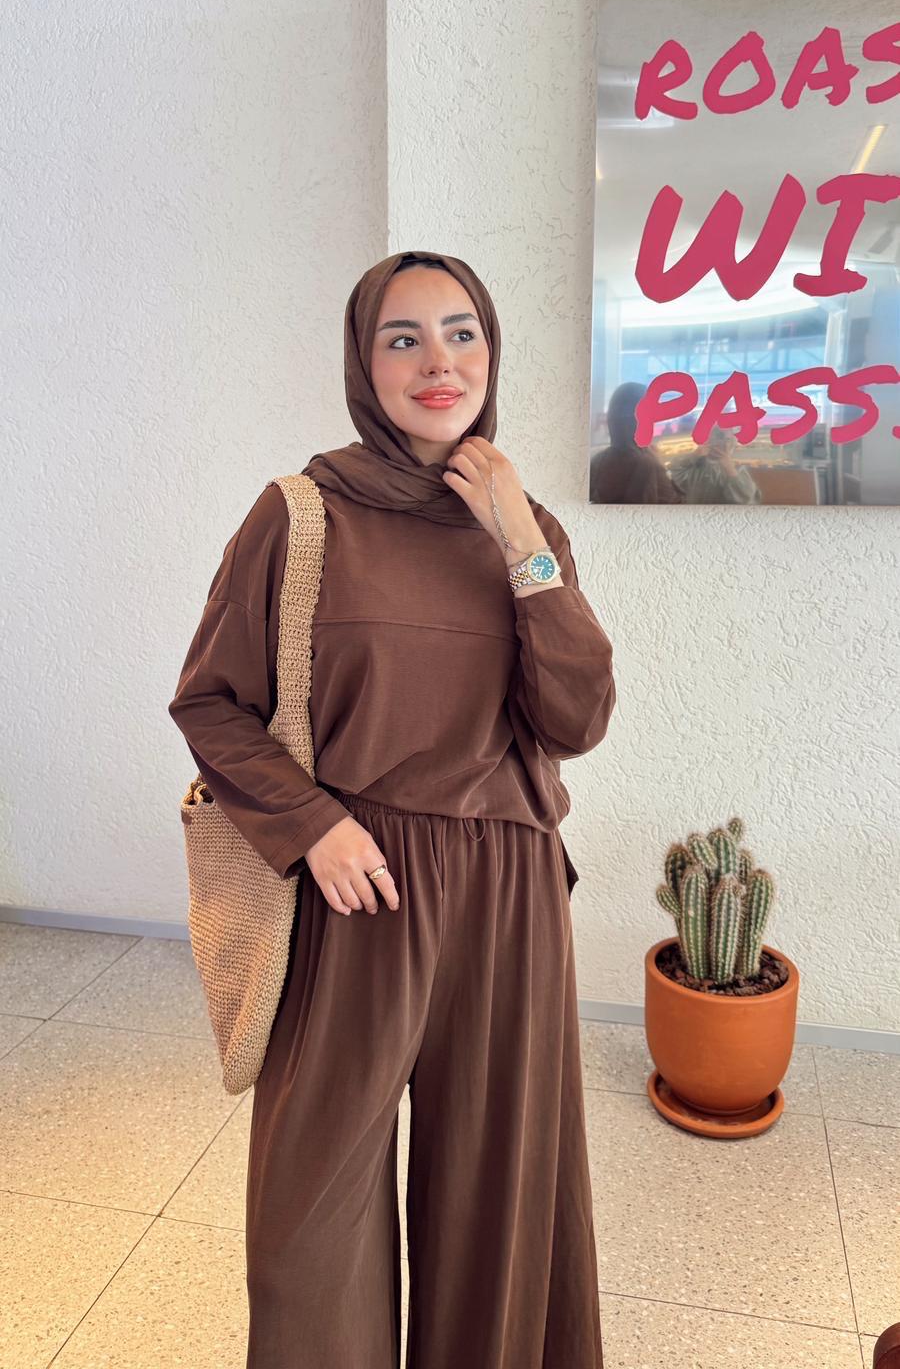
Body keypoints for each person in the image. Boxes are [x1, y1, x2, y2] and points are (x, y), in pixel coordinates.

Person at [168, 248, 617, 1369]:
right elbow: (212, 702)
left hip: (508, 893)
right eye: (402, 338)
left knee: (496, 1207)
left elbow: (576, 717)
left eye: (462, 333)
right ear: (362, 363)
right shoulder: (300, 514)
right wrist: (312, 826)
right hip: (355, 885)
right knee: (308, 1229)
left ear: (492, 352)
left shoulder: (527, 526)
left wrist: (522, 543)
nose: (437, 362)